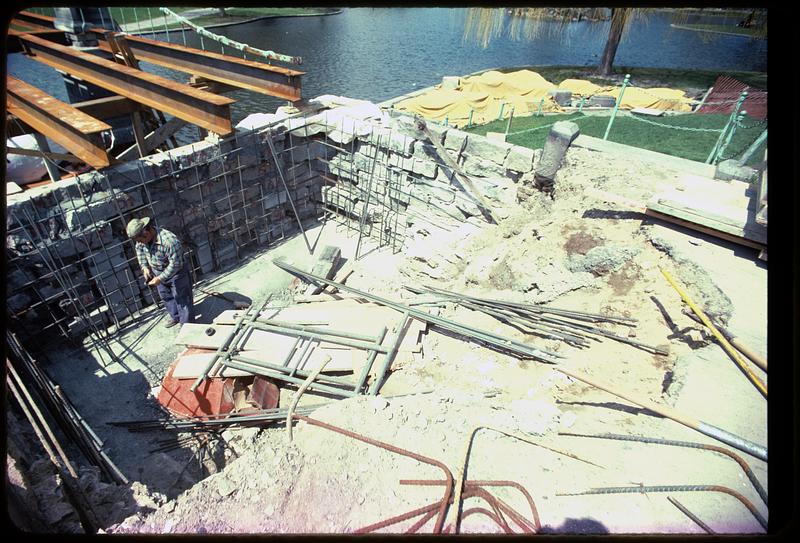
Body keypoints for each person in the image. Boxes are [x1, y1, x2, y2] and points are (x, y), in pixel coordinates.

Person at [127, 217, 194, 328]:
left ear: (146, 232)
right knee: (166, 296)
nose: (139, 243)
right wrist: (145, 267)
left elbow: (176, 264)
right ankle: (176, 317)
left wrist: (159, 279)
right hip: (158, 272)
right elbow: (139, 250)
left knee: (182, 300)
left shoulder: (169, 241)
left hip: (177, 274)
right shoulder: (141, 240)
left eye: (139, 240)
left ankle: (188, 326)